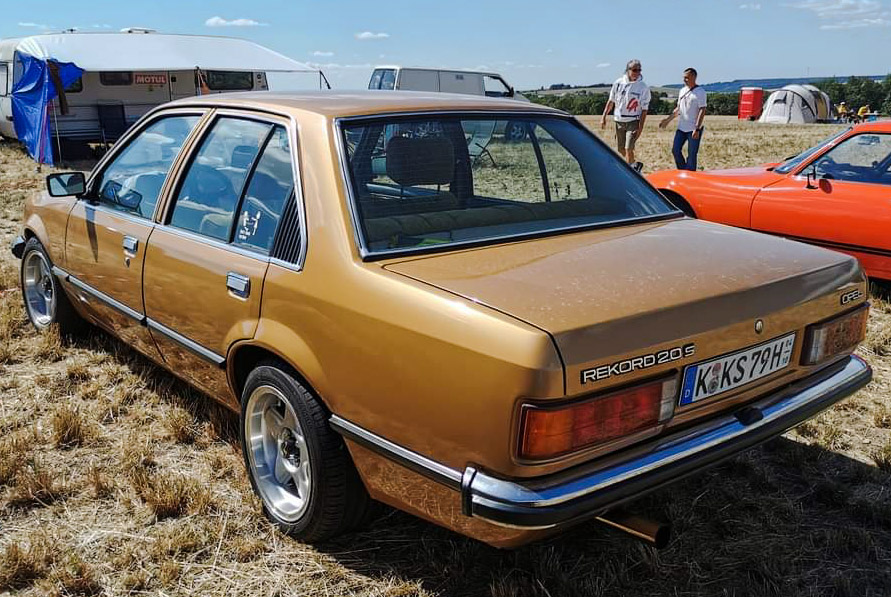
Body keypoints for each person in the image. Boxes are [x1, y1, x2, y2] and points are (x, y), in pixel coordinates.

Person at [600, 59, 651, 168]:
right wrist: (603, 116)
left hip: (633, 121)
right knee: (621, 149)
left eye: (639, 70)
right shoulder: (618, 83)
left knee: (629, 148)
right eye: (634, 70)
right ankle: (635, 165)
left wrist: (640, 126)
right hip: (619, 121)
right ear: (628, 70)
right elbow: (611, 101)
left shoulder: (643, 87)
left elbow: (644, 109)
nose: (637, 73)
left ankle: (631, 173)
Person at [660, 67, 707, 171]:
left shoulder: (700, 92)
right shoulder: (682, 91)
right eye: (684, 78)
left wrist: (697, 128)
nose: (684, 80)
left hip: (693, 129)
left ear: (694, 77)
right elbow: (678, 109)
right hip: (681, 128)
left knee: (692, 155)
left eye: (687, 78)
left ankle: (690, 174)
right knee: (675, 150)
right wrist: (667, 120)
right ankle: (683, 171)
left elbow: (702, 110)